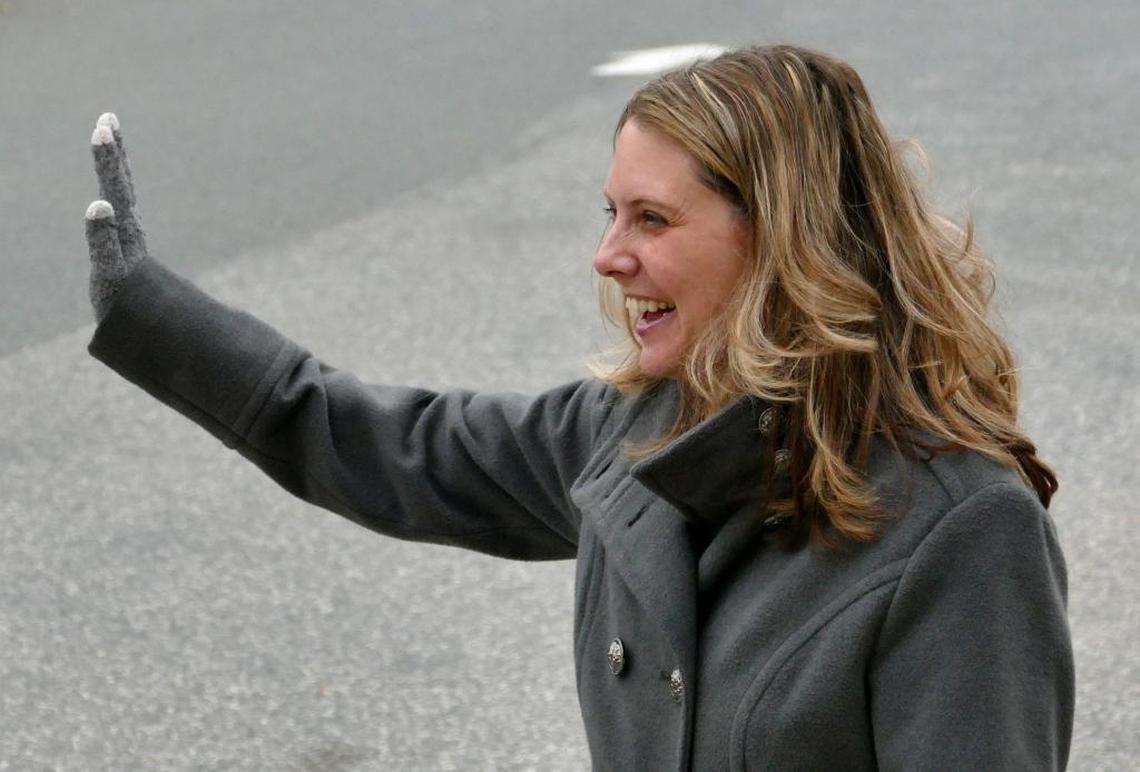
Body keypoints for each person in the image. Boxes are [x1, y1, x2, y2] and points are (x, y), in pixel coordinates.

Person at [84, 44, 1074, 770]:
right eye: (611, 213)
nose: (608, 255)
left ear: (779, 239)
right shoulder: (637, 429)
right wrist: (154, 318)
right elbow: (395, 448)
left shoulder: (966, 529)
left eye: (652, 218)